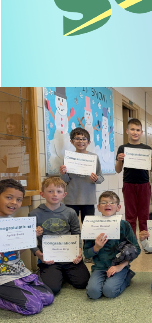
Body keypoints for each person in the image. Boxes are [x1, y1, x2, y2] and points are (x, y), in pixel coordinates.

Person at [0, 179, 54, 315]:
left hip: (17, 270)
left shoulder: (14, 222)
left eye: (18, 200)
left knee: (48, 297)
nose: (14, 203)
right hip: (2, 276)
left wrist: (29, 237)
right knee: (33, 306)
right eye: (8, 197)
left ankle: (19, 289)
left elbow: (16, 251)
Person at [30, 177, 88, 295]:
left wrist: (79, 250)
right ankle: (53, 273)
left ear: (64, 194)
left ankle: (62, 274)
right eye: (50, 191)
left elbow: (77, 233)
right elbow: (29, 238)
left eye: (59, 191)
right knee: (52, 289)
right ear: (42, 194)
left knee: (83, 283)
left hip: (69, 256)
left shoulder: (70, 212)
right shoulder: (34, 214)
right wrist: (38, 254)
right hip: (49, 259)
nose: (55, 194)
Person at [84, 191, 140, 300]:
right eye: (103, 202)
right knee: (93, 293)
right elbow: (86, 253)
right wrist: (96, 247)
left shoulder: (124, 225)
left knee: (109, 292)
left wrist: (121, 266)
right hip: (99, 267)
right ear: (98, 207)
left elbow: (136, 249)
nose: (108, 204)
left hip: (119, 266)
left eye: (111, 202)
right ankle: (108, 279)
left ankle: (127, 276)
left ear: (118, 207)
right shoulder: (91, 225)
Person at [115, 118, 152, 234]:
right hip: (129, 184)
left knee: (144, 216)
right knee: (130, 216)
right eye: (132, 129)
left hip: (144, 184)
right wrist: (119, 160)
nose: (135, 132)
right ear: (127, 131)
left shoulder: (147, 149)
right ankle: (131, 242)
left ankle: (145, 240)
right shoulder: (122, 148)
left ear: (141, 132)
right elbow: (118, 170)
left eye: (138, 130)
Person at [59, 127, 104, 221]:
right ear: (72, 141)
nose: (81, 141)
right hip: (71, 198)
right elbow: (65, 180)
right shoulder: (68, 157)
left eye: (84, 139)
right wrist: (63, 174)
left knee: (88, 228)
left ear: (89, 142)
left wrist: (96, 179)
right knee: (71, 226)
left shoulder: (94, 157)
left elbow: (101, 178)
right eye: (77, 139)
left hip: (88, 198)